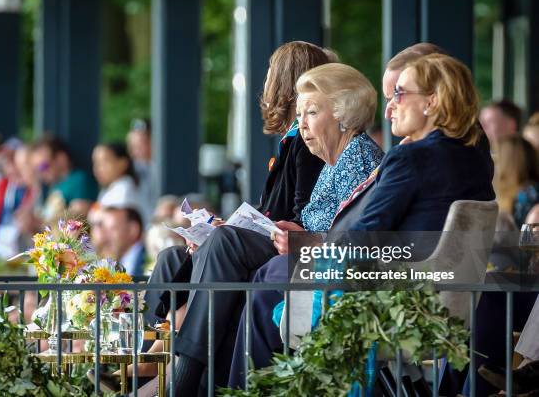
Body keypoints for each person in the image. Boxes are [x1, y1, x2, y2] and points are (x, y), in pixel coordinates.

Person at [230, 50, 496, 393]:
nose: (389, 108)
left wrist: (314, 246)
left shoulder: (411, 158)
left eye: (400, 94)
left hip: (391, 305)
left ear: (431, 102)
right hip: (442, 308)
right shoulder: (473, 159)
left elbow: (361, 236)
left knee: (266, 290)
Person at [160, 61, 384, 396]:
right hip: (300, 258)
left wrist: (301, 239)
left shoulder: (359, 157)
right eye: (300, 114)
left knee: (226, 242)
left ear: (342, 114)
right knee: (192, 252)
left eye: (311, 113)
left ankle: (186, 374)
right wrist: (293, 230)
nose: (301, 125)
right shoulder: (335, 160)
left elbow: (353, 240)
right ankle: (182, 368)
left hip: (321, 273)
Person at [29, 135, 98, 223]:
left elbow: (79, 217)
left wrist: (39, 222)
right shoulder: (55, 186)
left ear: (61, 158)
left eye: (43, 166)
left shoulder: (79, 179)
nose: (40, 173)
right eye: (37, 169)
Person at [493, 135, 539, 228]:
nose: (494, 166)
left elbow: (529, 241)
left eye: (497, 160)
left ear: (507, 164)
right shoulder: (528, 192)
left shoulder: (529, 196)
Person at [92, 143, 146, 221]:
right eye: (95, 163)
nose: (98, 168)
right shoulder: (109, 189)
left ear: (123, 163)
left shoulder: (125, 189)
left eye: (104, 162)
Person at [101, 206, 146, 277]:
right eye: (106, 230)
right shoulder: (118, 261)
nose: (105, 236)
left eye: (113, 229)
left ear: (132, 230)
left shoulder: (150, 260)